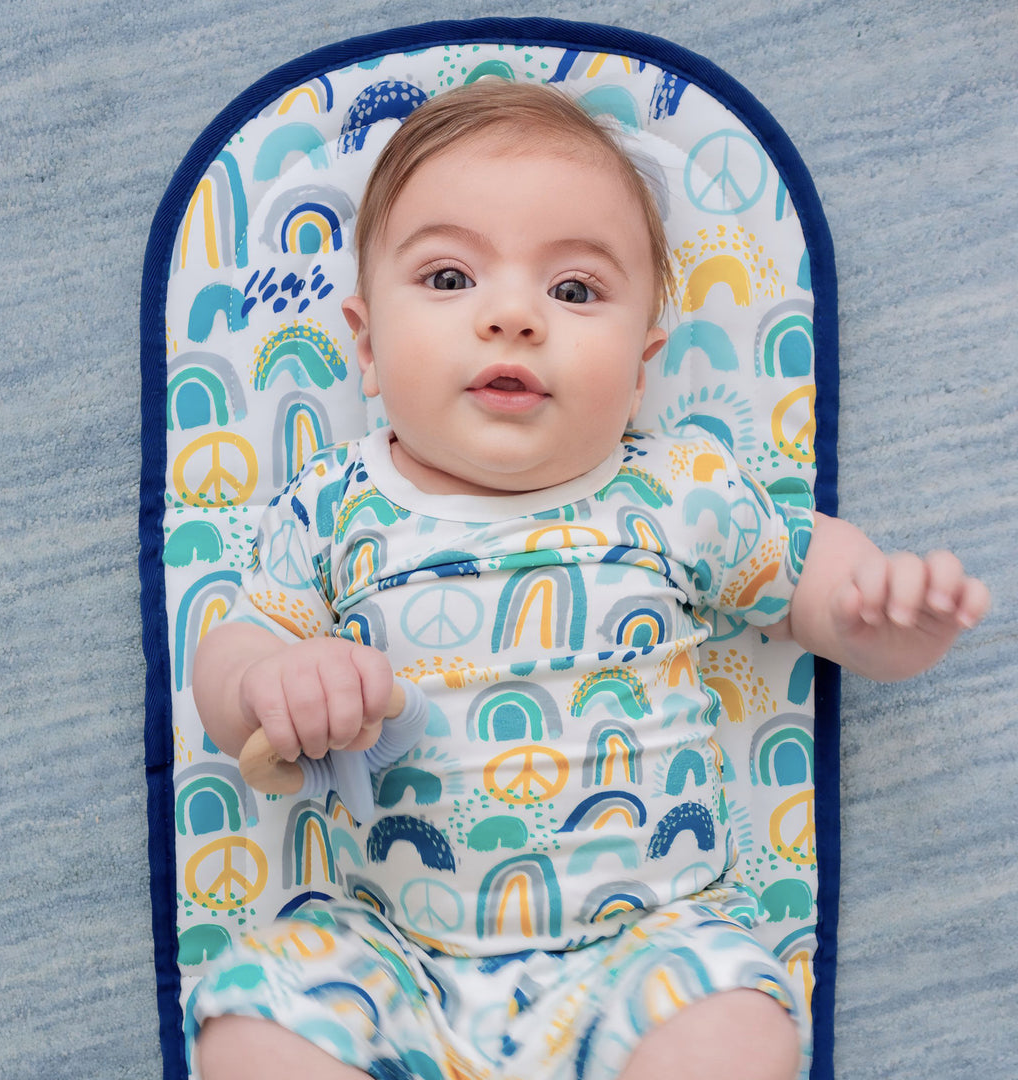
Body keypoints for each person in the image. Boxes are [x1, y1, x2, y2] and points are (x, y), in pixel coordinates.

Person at [189, 80, 989, 1080]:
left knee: (741, 1028)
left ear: (645, 358)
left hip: (649, 947)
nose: (514, 316)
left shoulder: (674, 488)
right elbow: (231, 647)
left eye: (574, 291)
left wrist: (882, 612)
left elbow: (808, 576)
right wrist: (271, 680)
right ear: (364, 343)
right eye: (448, 278)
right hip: (392, 952)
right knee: (253, 1019)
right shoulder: (332, 506)